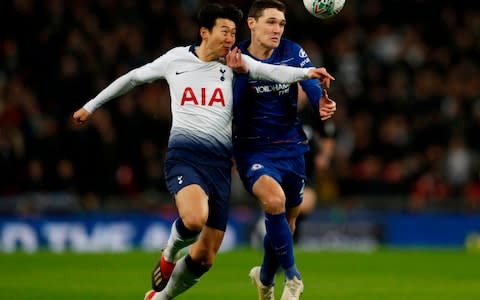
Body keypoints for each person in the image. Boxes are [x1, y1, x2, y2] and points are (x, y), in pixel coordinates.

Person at [72, 3, 335, 300]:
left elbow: (273, 71)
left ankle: (159, 297)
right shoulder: (176, 59)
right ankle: (170, 252)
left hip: (220, 165)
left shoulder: (235, 64)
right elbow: (133, 77)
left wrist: (309, 74)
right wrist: (90, 106)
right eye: (225, 31)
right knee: (195, 219)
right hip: (185, 157)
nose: (230, 38)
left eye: (234, 33)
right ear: (204, 32)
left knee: (205, 257)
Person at [232, 1, 337, 299]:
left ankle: (264, 278)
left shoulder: (292, 50)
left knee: (288, 223)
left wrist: (320, 103)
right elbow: (236, 109)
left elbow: (311, 78)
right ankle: (293, 279)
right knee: (274, 202)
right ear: (252, 23)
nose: (277, 30)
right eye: (271, 22)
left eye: (281, 24)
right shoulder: (236, 58)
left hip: (291, 148)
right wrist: (241, 76)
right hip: (253, 149)